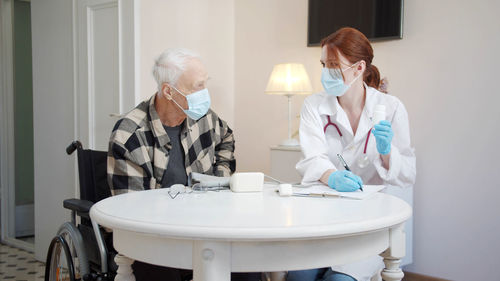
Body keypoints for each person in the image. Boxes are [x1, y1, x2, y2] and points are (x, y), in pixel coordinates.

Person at [107, 48, 259, 281]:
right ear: (168, 91)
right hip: (154, 239)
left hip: (204, 229)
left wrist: (219, 179)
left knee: (248, 270)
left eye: (205, 84)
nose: (205, 93)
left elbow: (226, 137)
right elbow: (130, 212)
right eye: (198, 86)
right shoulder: (129, 135)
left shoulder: (204, 118)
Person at [291, 27, 416, 281]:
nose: (326, 72)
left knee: (338, 279)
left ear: (359, 68)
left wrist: (387, 152)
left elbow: (407, 175)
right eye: (324, 64)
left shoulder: (391, 108)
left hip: (369, 224)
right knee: (298, 275)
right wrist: (330, 176)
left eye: (334, 64)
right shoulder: (313, 106)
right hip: (324, 218)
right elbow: (313, 157)